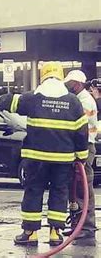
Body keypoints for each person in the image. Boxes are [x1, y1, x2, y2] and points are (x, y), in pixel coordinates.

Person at [0, 62, 88, 247]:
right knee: (59, 192)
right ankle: (55, 233)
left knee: (34, 191)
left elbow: (9, 102)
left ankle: (30, 234)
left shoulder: (33, 98)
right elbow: (82, 132)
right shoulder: (73, 101)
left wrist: (0, 101)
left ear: (42, 76)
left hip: (36, 158)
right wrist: (81, 157)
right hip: (63, 160)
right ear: (61, 76)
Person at [64, 70, 97, 246]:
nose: (67, 87)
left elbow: (77, 126)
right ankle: (78, 225)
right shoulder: (79, 99)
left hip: (85, 148)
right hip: (79, 148)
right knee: (76, 188)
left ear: (77, 84)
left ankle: (87, 228)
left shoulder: (84, 101)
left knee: (84, 189)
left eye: (69, 84)